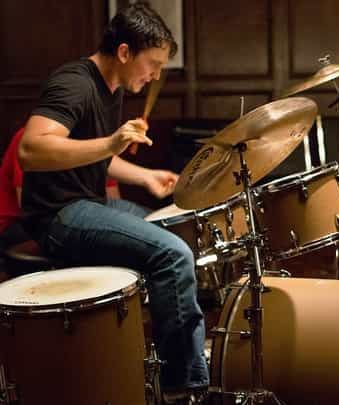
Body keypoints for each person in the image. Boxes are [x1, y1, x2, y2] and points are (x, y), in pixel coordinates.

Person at [17, 3, 207, 403]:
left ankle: (153, 353)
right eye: (153, 64)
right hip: (57, 216)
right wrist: (112, 141)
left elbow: (94, 154)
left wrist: (145, 176)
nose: (155, 76)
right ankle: (182, 387)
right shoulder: (75, 83)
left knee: (168, 226)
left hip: (88, 202)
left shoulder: (111, 87)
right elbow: (31, 150)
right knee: (173, 255)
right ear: (124, 52)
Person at [0, 128, 121, 249]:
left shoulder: (99, 144)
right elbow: (27, 207)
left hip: (64, 217)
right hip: (16, 223)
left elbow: (113, 201)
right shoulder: (33, 140)